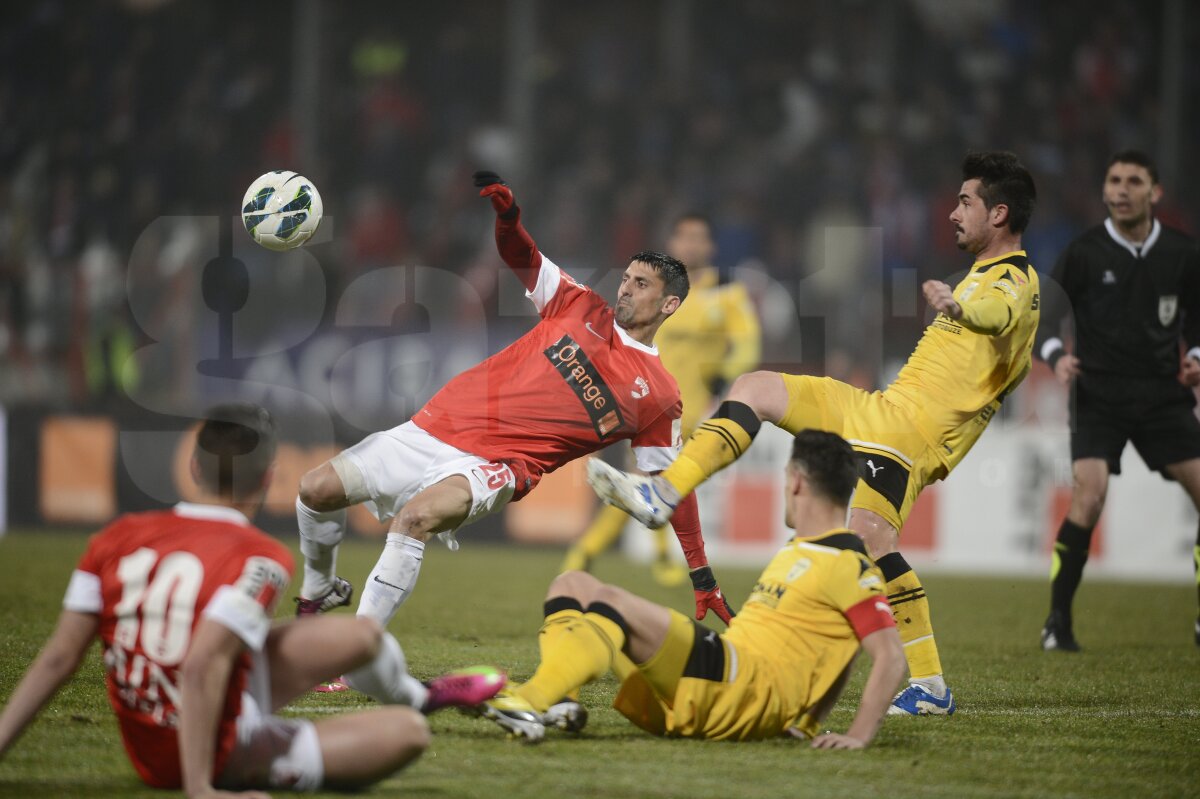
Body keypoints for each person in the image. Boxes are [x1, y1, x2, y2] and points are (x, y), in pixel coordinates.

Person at [589, 151, 1041, 716]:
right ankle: (664, 489)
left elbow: (996, 315)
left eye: (965, 202)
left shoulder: (1013, 279)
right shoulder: (982, 275)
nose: (952, 213)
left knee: (869, 542)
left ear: (999, 214)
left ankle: (927, 686)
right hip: (878, 408)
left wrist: (960, 309)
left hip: (908, 436)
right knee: (755, 387)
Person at [294, 171, 734, 642]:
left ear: (669, 305)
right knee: (314, 490)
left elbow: (674, 488)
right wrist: (508, 216)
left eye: (640, 284)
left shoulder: (660, 395)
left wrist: (701, 573)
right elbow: (521, 256)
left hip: (497, 466)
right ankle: (320, 588)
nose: (624, 289)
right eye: (626, 278)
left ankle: (355, 648)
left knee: (415, 520)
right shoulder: (577, 304)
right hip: (432, 428)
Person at [0, 403, 504, 797]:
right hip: (201, 747)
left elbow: (60, 657)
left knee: (362, 634)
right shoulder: (259, 557)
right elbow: (201, 667)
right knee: (408, 735)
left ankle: (424, 693)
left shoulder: (117, 536)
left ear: (193, 468)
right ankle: (330, 733)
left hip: (158, 722)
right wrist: (200, 787)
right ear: (268, 478)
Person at [478, 430, 905, 747]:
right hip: (717, 676)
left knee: (609, 602)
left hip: (734, 684)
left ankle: (528, 699)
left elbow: (889, 655)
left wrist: (858, 736)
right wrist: (808, 722)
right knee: (571, 583)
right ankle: (559, 700)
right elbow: (842, 647)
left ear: (795, 481)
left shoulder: (847, 563)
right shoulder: (804, 551)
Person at [1035, 150, 1200, 651]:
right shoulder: (1083, 252)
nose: (1122, 189)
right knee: (1090, 494)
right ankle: (1057, 622)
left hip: (1162, 394)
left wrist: (1195, 353)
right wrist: (1057, 354)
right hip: (1098, 393)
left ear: (1155, 193)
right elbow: (1044, 315)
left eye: (1133, 181)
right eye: (1114, 180)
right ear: (1104, 191)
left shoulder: (1182, 253)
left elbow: (1197, 318)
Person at [562, 212, 761, 588]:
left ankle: (591, 553)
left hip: (693, 409)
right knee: (651, 482)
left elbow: (748, 344)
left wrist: (724, 373)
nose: (690, 245)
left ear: (711, 247)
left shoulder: (728, 293)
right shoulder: (653, 288)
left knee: (647, 485)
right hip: (646, 401)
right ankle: (631, 555)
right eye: (683, 237)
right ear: (672, 244)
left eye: (698, 238)